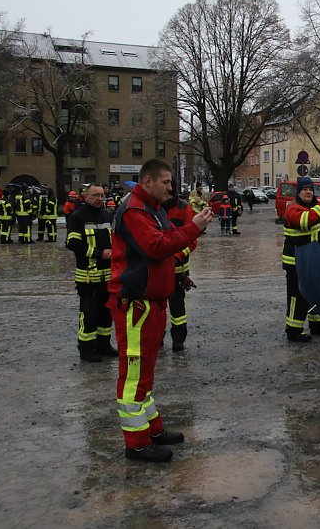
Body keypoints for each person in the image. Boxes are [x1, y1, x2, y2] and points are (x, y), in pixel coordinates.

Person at [108, 159, 212, 462]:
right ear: (148, 181)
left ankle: (150, 429)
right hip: (135, 304)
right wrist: (193, 229)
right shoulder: (135, 210)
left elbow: (166, 247)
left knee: (146, 372)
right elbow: (156, 246)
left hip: (150, 302)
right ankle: (136, 443)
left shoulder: (152, 209)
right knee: (134, 376)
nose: (171, 187)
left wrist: (185, 245)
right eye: (166, 182)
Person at [282, 176, 320, 342]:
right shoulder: (293, 208)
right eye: (304, 189)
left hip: (316, 261)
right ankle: (293, 330)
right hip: (297, 262)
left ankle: (318, 325)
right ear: (298, 192)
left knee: (318, 295)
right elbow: (304, 222)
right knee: (297, 297)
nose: (308, 192)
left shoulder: (315, 208)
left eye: (310, 189)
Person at [67, 184, 118, 362]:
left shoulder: (107, 215)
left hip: (108, 275)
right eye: (95, 195)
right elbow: (72, 243)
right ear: (85, 196)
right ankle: (86, 348)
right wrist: (99, 253)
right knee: (89, 314)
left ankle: (103, 344)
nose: (99, 198)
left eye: (102, 195)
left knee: (106, 313)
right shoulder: (78, 217)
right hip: (88, 276)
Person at [162, 184, 198, 351]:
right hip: (156, 269)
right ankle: (157, 338)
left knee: (177, 307)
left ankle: (178, 340)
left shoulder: (184, 208)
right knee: (156, 306)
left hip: (177, 269)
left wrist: (175, 256)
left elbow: (192, 239)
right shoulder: (151, 207)